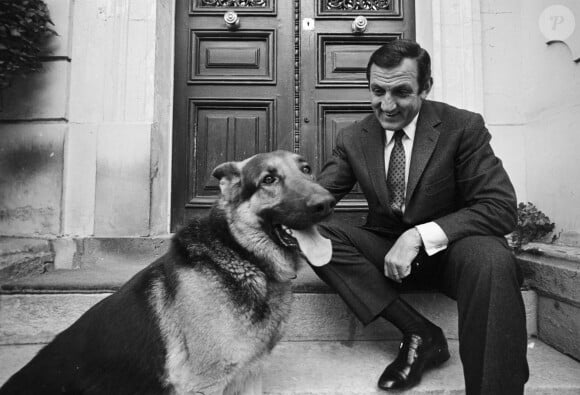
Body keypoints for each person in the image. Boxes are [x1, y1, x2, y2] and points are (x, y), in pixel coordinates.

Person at [312, 39, 529, 394]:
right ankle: (420, 331)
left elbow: (500, 206)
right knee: (317, 234)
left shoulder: (462, 127)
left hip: (453, 254)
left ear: (426, 88)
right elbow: (317, 201)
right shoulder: (354, 136)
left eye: (401, 92)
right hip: (386, 258)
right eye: (377, 90)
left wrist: (417, 236)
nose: (386, 105)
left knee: (492, 259)